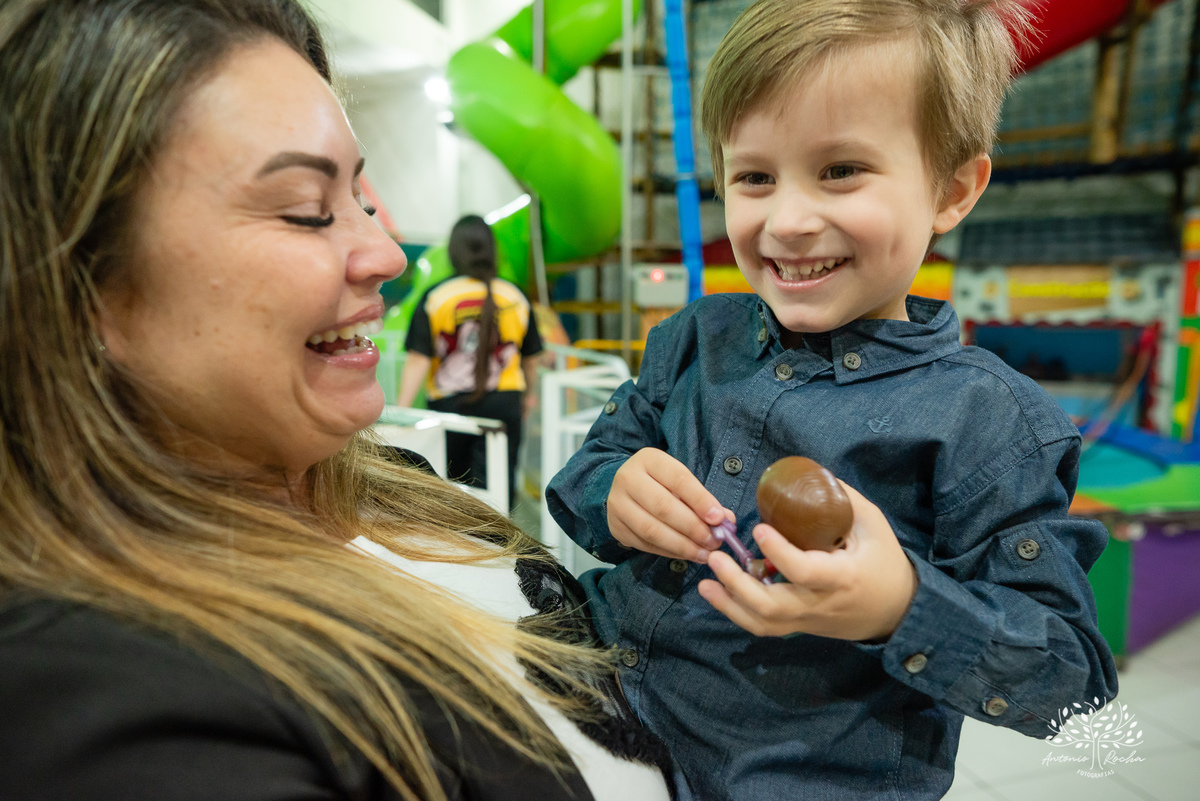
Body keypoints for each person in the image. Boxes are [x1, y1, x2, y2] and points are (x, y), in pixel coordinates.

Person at [0, 2, 673, 800]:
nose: (386, 253)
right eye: (305, 210)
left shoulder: (395, 481)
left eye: (360, 196)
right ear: (89, 287)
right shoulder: (106, 689)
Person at [546, 1, 1119, 799]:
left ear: (952, 190)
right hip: (593, 702)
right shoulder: (693, 339)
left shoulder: (985, 421)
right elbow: (585, 476)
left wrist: (901, 604)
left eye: (840, 170)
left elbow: (1074, 679)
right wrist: (616, 493)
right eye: (754, 176)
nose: (787, 220)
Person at [398, 216, 543, 511]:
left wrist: (401, 409)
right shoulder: (515, 295)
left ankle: (461, 550)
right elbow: (531, 356)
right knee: (499, 488)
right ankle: (499, 550)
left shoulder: (437, 296)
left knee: (452, 490)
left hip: (450, 406)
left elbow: (418, 358)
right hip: (504, 403)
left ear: (453, 252)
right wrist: (528, 395)